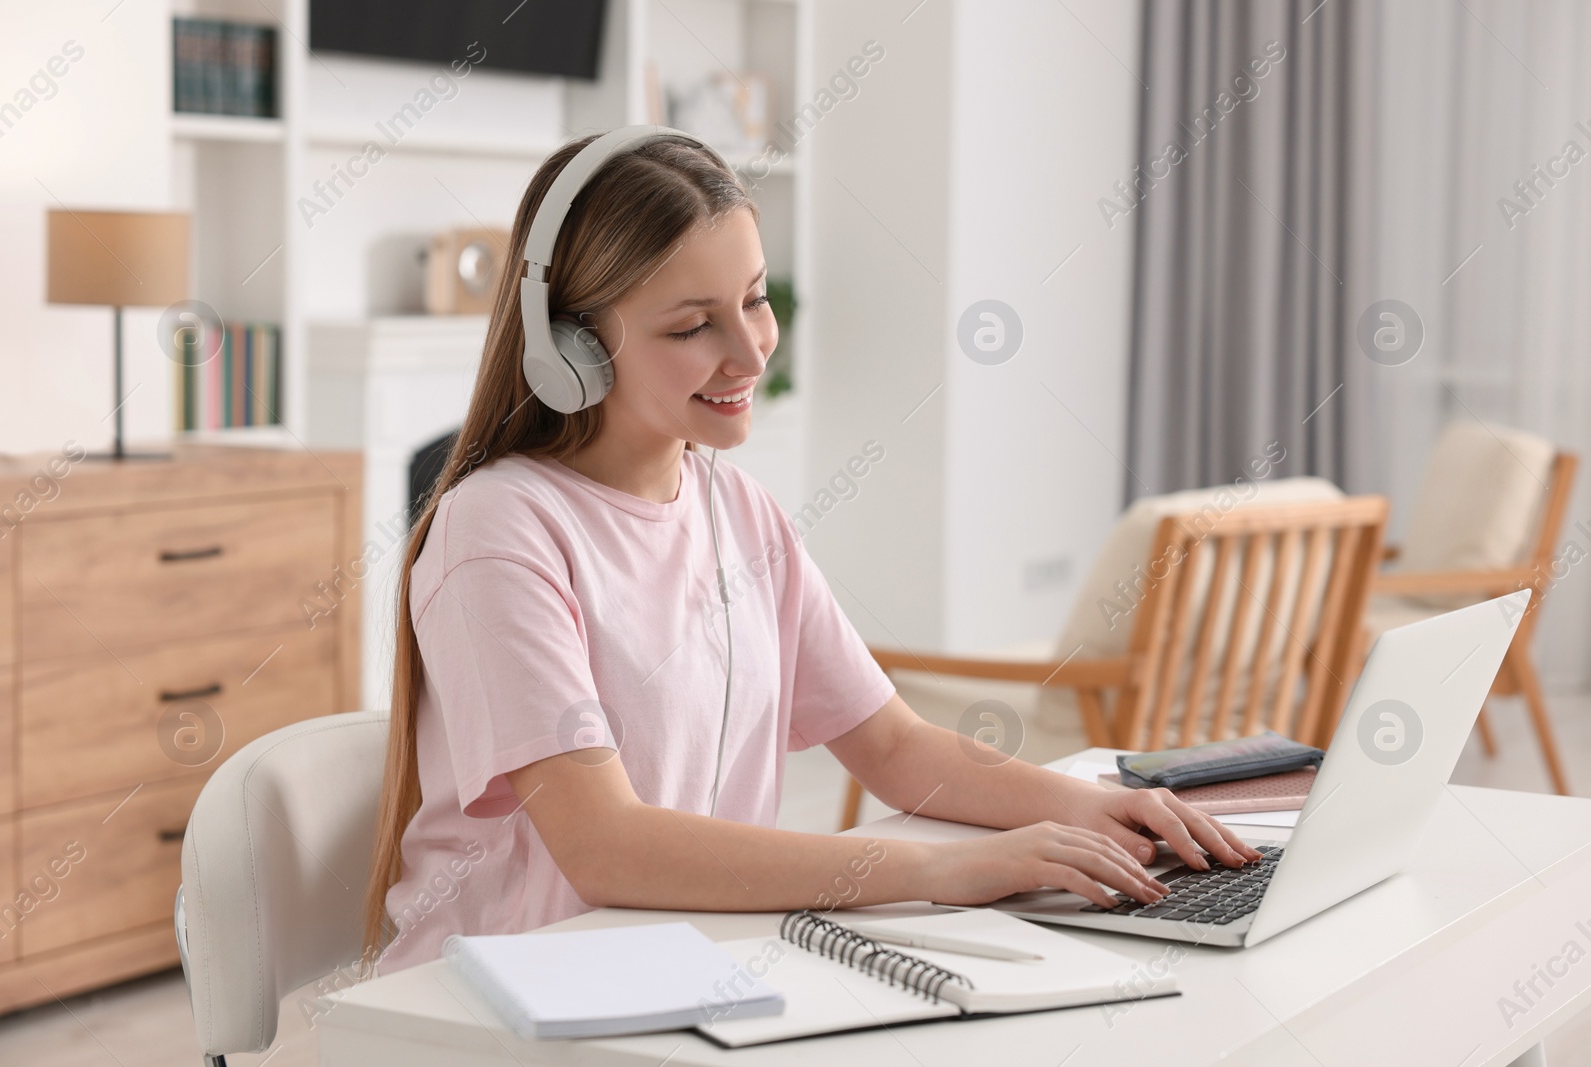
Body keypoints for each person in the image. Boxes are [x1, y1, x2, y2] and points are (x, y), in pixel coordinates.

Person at [363, 128, 1260, 975]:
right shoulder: (499, 530)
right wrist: (936, 873)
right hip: (505, 998)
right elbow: (605, 847)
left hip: (688, 968)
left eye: (755, 299)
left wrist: (1094, 805)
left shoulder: (736, 508)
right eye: (691, 326)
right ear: (573, 349)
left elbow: (897, 747)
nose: (750, 349)